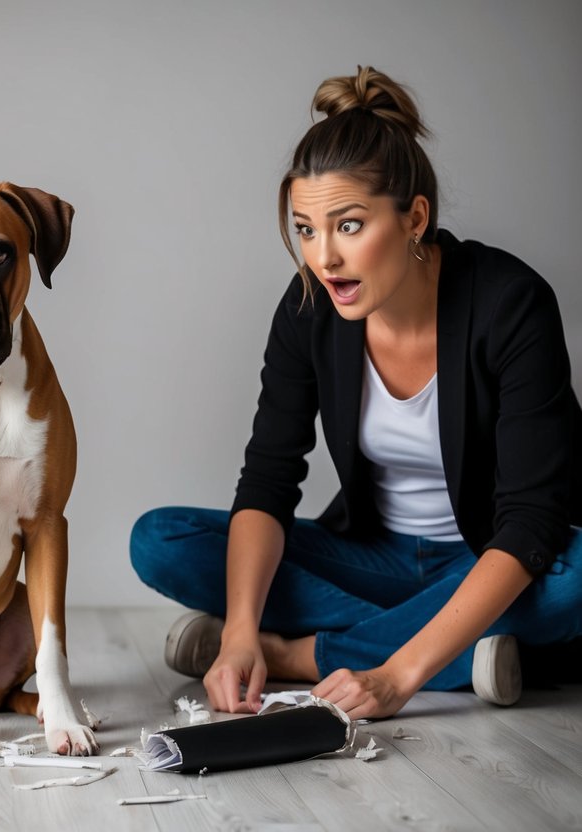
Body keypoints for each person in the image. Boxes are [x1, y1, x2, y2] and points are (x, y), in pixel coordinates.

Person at [130, 66, 582, 720]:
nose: (322, 258)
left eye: (347, 225)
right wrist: (234, 638)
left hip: (497, 559)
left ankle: (303, 655)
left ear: (413, 218)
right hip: (371, 557)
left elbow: (530, 523)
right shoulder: (308, 307)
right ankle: (473, 651)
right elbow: (268, 479)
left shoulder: (511, 305)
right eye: (305, 229)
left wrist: (396, 677)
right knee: (160, 540)